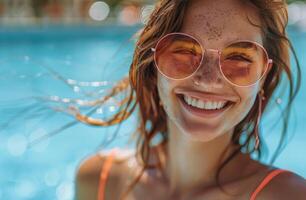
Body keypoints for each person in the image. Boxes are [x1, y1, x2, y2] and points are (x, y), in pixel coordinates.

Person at [75, 0, 306, 199]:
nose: (208, 80)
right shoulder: (99, 181)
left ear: (263, 77)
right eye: (185, 50)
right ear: (153, 63)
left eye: (238, 57)